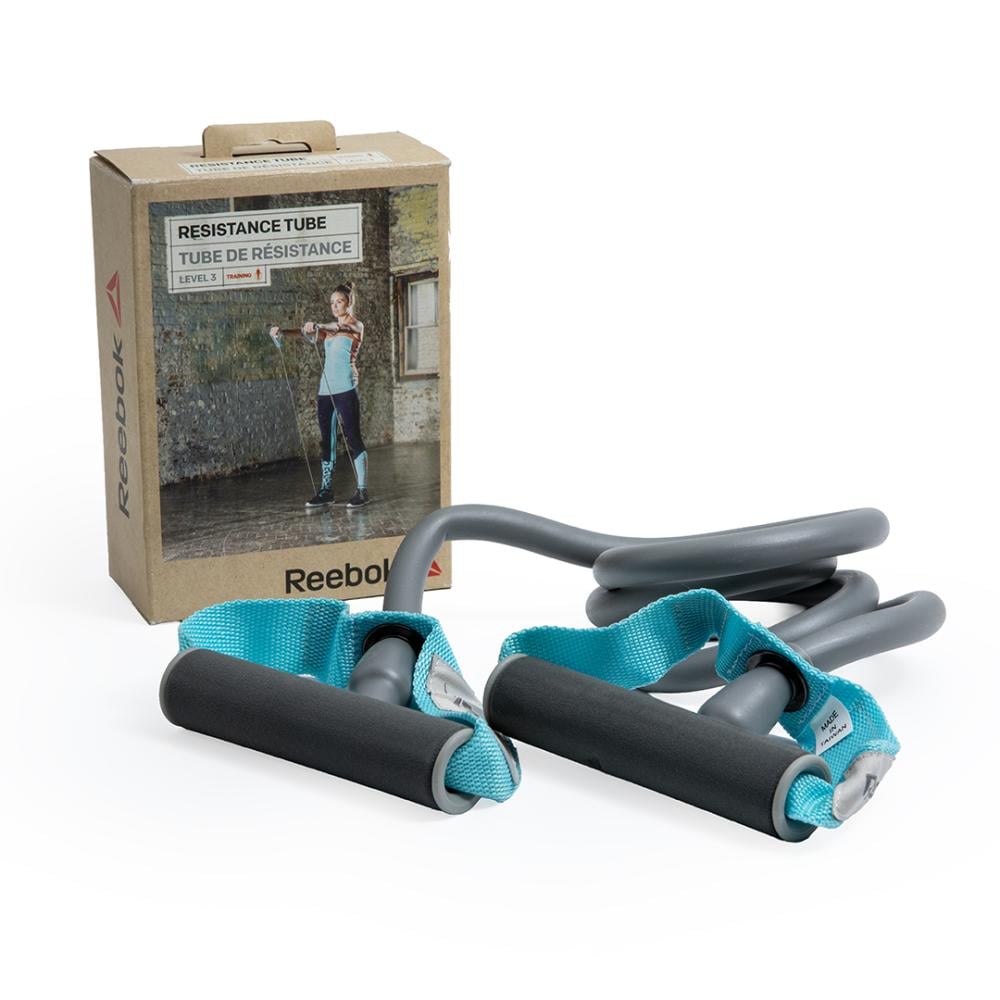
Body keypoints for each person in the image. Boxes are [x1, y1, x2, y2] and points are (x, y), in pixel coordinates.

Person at [269, 282, 371, 509]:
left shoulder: (356, 326)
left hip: (346, 388)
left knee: (353, 437)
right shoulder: (328, 330)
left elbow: (338, 327)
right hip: (325, 390)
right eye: (332, 303)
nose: (335, 306)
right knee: (327, 442)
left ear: (349, 303)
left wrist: (318, 325)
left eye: (339, 302)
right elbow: (307, 332)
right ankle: (326, 491)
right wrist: (282, 332)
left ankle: (362, 491)